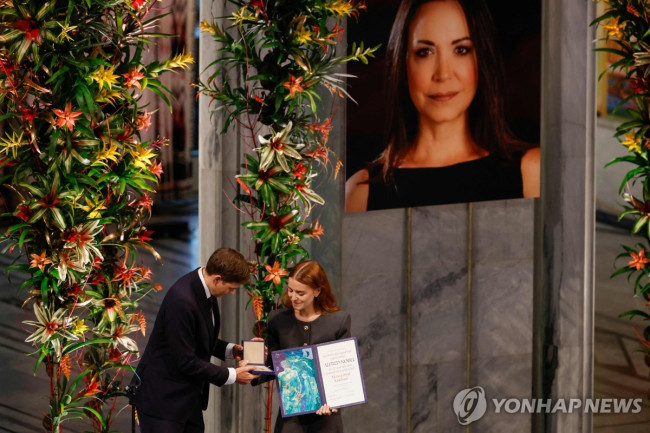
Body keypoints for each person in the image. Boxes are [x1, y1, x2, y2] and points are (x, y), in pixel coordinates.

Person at [345, 0, 540, 212]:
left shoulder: (531, 173)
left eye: (461, 49)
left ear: (481, 59)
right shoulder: (360, 194)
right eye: (425, 52)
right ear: (402, 64)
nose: (443, 74)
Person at [132, 247, 258, 433]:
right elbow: (186, 361)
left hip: (187, 400)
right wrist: (233, 375)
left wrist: (232, 350)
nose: (231, 293)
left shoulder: (203, 287)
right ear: (217, 279)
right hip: (163, 402)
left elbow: (198, 337)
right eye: (231, 288)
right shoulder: (182, 300)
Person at [254, 260, 351, 433]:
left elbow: (344, 371)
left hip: (326, 417)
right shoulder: (278, 320)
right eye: (291, 290)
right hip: (291, 419)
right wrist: (253, 365)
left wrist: (335, 401)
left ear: (317, 291)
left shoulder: (338, 322)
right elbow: (273, 365)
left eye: (300, 293)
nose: (293, 297)